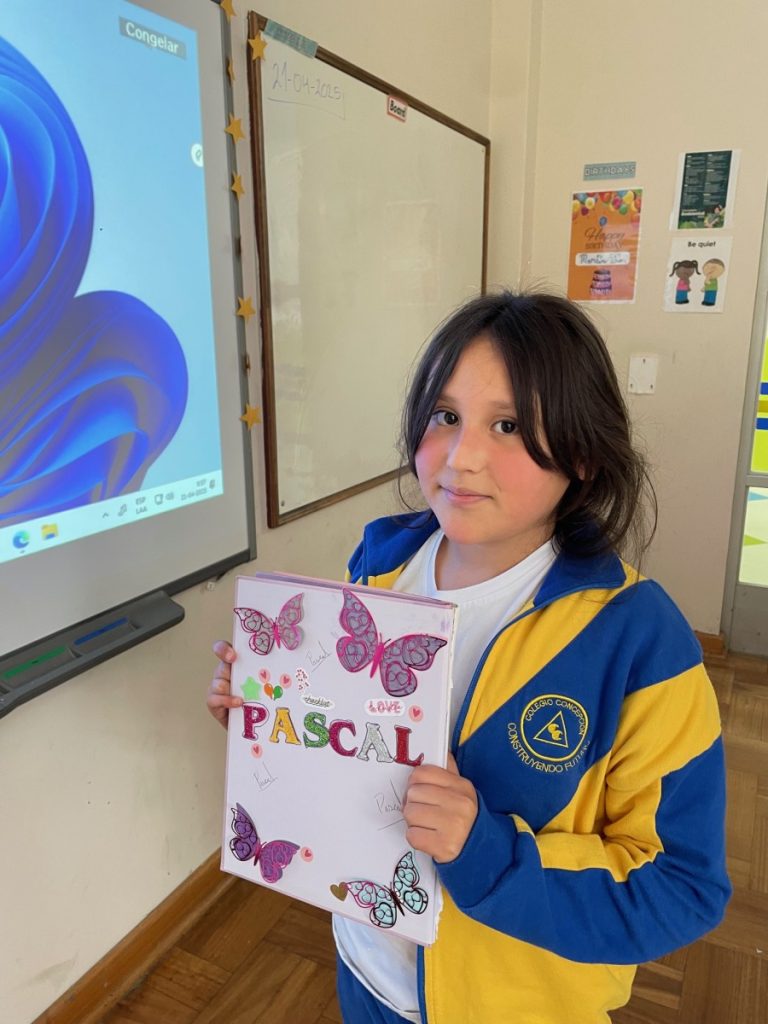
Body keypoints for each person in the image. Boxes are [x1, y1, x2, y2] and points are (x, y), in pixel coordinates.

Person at [208, 291, 730, 1024]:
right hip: (366, 969)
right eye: (445, 416)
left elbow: (682, 886)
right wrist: (273, 717)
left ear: (582, 454)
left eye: (508, 425)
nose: (461, 457)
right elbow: (353, 752)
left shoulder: (639, 640)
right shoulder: (379, 562)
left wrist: (487, 852)